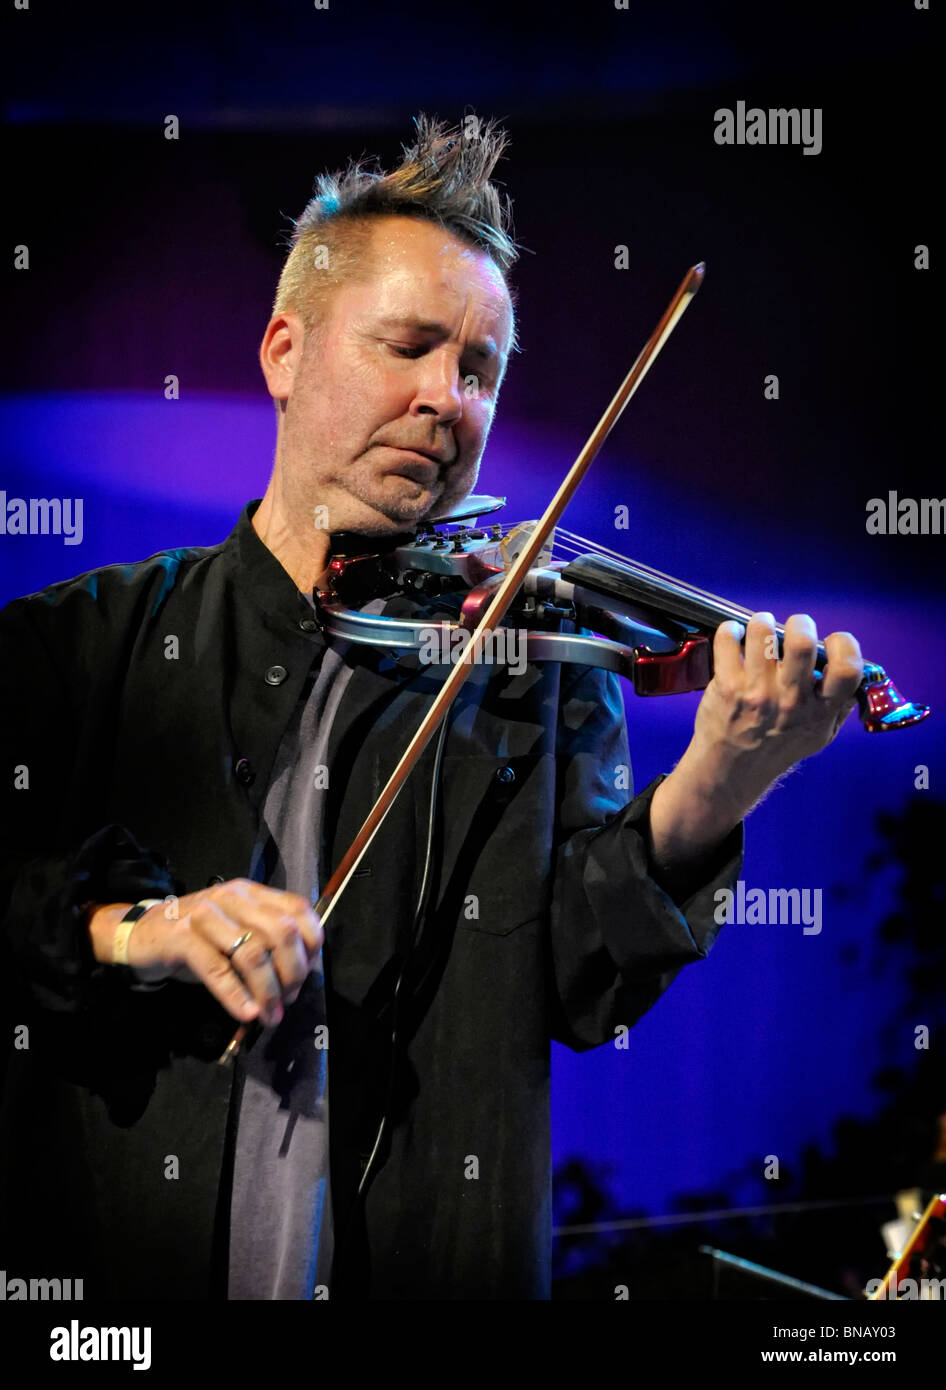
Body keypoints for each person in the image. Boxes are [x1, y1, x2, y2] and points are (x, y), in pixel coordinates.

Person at [0, 116, 865, 1301]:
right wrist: (124, 930)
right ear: (284, 351)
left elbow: (579, 981)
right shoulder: (82, 645)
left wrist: (722, 776)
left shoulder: (532, 661)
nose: (444, 400)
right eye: (406, 347)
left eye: (477, 371)